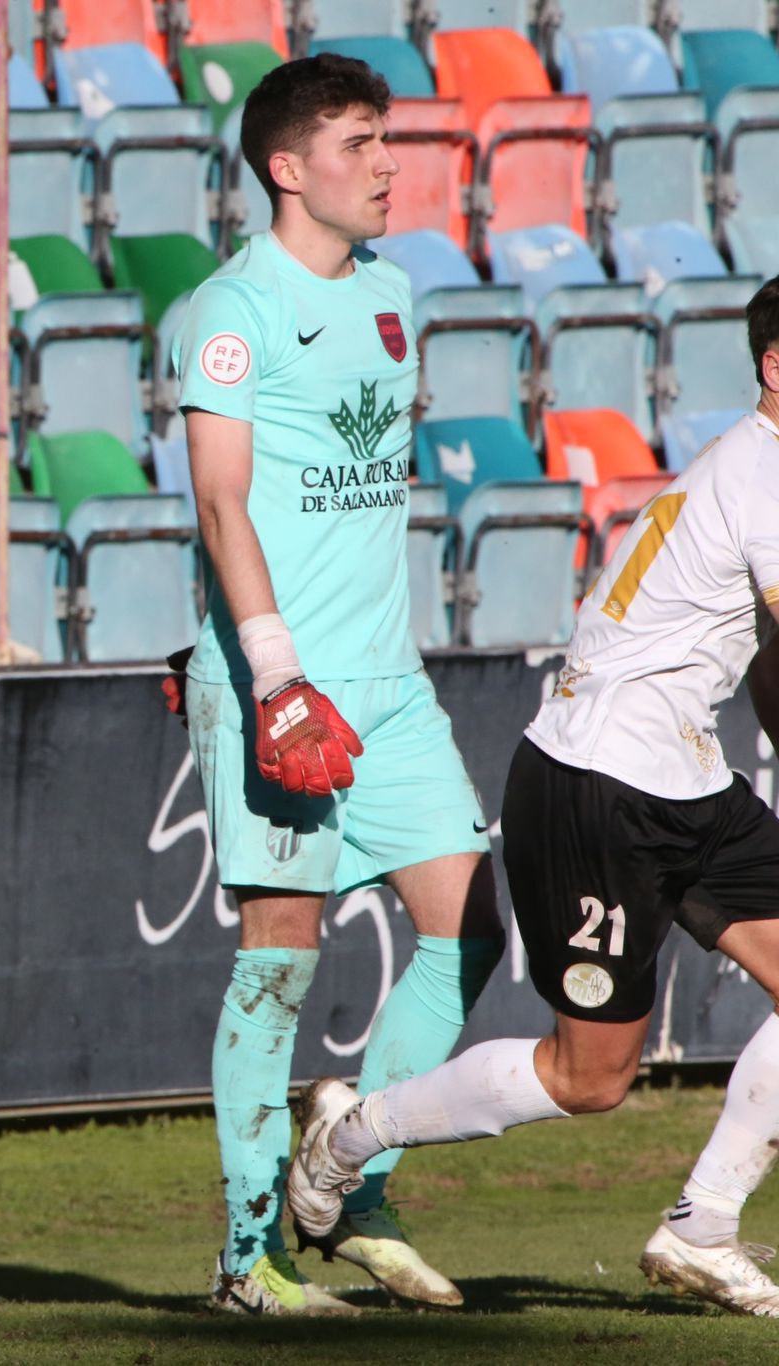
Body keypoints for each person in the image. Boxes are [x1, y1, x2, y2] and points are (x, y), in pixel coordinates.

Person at [291, 275, 779, 1318]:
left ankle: (701, 1227)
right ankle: (350, 1133)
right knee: (589, 1077)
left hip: (684, 775)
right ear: (774, 366)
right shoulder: (763, 477)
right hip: (595, 784)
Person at [170, 53, 505, 1315]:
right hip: (283, 683)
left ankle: (347, 1175)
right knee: (278, 958)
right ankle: (244, 1257)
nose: (386, 164)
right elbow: (218, 501)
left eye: (387, 138)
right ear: (285, 166)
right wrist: (267, 676)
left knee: (469, 923)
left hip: (389, 678)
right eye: (360, 142)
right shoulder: (230, 310)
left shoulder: (392, 291)